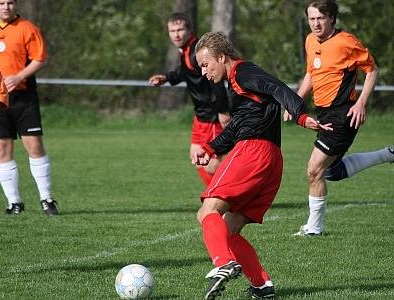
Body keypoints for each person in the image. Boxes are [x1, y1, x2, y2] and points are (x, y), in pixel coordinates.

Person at [193, 32, 332, 299]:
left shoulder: (243, 72)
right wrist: (211, 148)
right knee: (229, 228)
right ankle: (262, 285)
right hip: (271, 160)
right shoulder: (238, 83)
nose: (204, 71)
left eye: (206, 64)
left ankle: (223, 262)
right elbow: (238, 124)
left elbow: (278, 88)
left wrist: (301, 115)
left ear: (221, 57)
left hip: (253, 152)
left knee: (207, 211)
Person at [284, 0, 394, 236]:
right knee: (332, 172)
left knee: (314, 170)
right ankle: (387, 154)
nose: (315, 23)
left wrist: (361, 103)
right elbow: (311, 74)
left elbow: (372, 70)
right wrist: (295, 102)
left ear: (331, 18)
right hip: (324, 112)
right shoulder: (310, 40)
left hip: (343, 113)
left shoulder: (347, 42)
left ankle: (314, 229)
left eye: (320, 18)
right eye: (311, 18)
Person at [149, 13, 230, 186]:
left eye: (180, 29)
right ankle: (218, 197)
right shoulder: (187, 50)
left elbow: (216, 81)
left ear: (190, 30)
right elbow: (185, 72)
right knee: (197, 156)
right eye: (172, 30)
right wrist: (166, 78)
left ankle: (226, 197)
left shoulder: (196, 52)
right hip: (200, 116)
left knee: (212, 163)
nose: (176, 34)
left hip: (211, 116)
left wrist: (223, 110)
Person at [0, 0, 59, 215]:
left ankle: (47, 199)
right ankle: (14, 203)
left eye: (10, 2)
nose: (6, 7)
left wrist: (19, 76)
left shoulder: (27, 29)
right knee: (2, 148)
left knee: (34, 146)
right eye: (1, 2)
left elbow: (40, 59)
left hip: (24, 97)